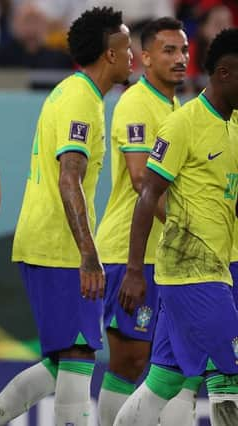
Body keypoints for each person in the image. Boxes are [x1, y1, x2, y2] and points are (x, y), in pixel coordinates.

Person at [0, 7, 133, 426]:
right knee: (79, 354)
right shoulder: (81, 99)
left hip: (51, 244)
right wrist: (88, 252)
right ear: (108, 53)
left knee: (62, 360)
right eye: (125, 45)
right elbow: (70, 179)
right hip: (59, 248)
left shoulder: (78, 94)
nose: (132, 52)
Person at [114, 28, 238, 426]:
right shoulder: (183, 124)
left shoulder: (234, 126)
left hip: (217, 267)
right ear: (224, 73)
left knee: (164, 379)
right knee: (229, 371)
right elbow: (147, 194)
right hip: (190, 272)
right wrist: (135, 271)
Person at [94, 17, 199, 426]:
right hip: (129, 249)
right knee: (131, 359)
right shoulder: (137, 102)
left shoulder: (174, 106)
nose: (180, 59)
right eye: (169, 50)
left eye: (185, 51)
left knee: (168, 362)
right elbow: (141, 178)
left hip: (165, 253)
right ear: (146, 56)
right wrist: (189, 230)